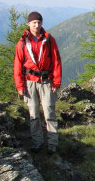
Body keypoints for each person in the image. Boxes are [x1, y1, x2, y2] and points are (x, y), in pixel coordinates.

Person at [13, 11, 62, 153]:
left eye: (39, 22)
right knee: (33, 113)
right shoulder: (22, 42)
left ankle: (52, 144)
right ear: (28, 24)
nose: (37, 25)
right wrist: (20, 86)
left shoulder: (48, 39)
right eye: (34, 22)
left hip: (47, 81)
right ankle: (37, 142)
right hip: (30, 82)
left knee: (49, 112)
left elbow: (56, 61)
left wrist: (56, 82)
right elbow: (18, 65)